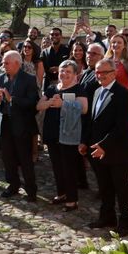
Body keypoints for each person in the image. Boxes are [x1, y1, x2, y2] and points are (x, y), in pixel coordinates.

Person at [80, 59, 128, 236]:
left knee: (122, 188)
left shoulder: (123, 93)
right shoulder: (96, 91)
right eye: (97, 72)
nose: (100, 76)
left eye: (104, 72)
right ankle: (107, 217)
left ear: (114, 73)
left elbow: (121, 126)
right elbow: (91, 121)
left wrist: (104, 145)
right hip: (97, 150)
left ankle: (127, 223)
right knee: (104, 187)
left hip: (117, 151)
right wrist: (84, 142)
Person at [37, 60, 88, 212]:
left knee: (69, 168)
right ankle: (62, 194)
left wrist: (63, 104)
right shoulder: (52, 88)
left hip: (69, 134)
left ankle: (72, 200)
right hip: (52, 132)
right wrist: (51, 102)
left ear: (75, 74)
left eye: (68, 71)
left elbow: (84, 108)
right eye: (62, 71)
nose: (64, 74)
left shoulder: (79, 89)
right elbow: (39, 106)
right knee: (57, 167)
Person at [0, 51, 40, 201]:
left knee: (24, 159)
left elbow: (33, 103)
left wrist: (11, 99)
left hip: (22, 125)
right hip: (4, 122)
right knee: (7, 157)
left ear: (17, 63)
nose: (3, 66)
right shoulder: (0, 78)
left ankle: (31, 190)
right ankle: (13, 185)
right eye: (3, 63)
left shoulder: (29, 79)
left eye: (6, 63)